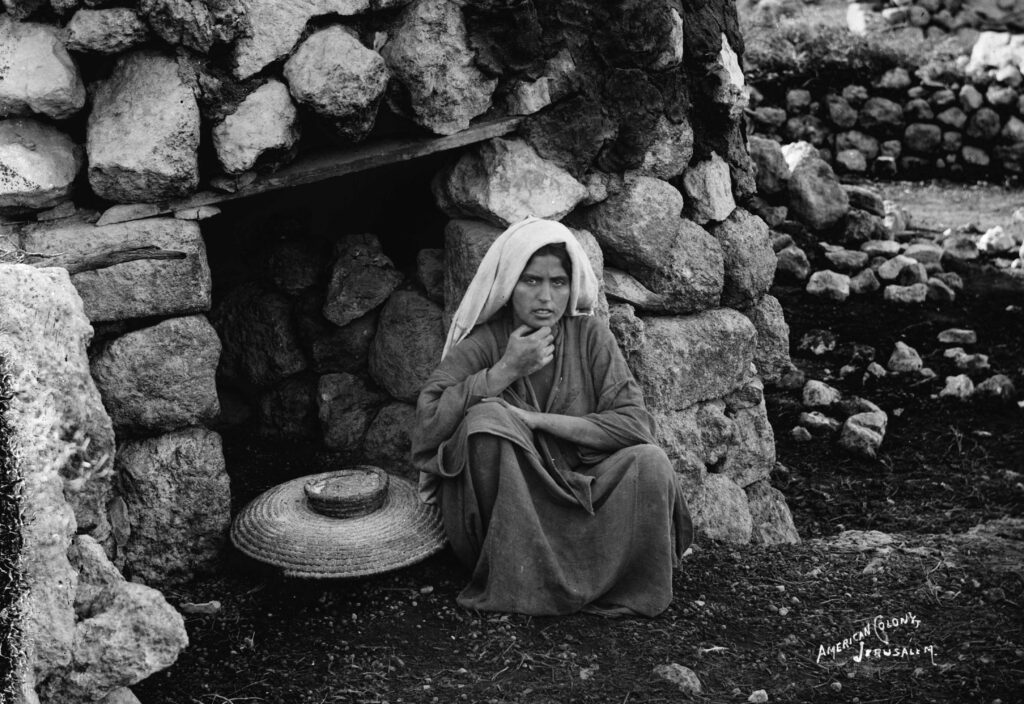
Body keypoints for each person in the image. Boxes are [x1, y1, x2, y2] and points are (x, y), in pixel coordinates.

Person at [411, 216, 693, 617]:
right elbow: (427, 428)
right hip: (511, 514)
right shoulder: (486, 342)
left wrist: (538, 422)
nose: (545, 296)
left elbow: (635, 425)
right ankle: (520, 581)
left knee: (651, 462)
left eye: (557, 282)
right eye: (531, 281)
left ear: (571, 286)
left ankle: (617, 585)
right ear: (509, 286)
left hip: (582, 491)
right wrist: (505, 371)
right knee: (487, 422)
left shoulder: (590, 337)